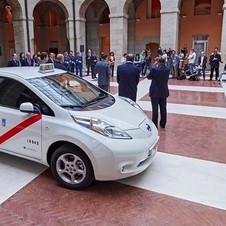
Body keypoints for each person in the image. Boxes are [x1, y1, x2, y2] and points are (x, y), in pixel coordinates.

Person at [147, 57, 170, 129]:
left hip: (155, 91)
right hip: (163, 90)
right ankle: (163, 123)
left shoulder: (154, 69)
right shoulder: (167, 69)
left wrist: (154, 65)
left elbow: (149, 77)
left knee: (155, 108)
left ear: (158, 62)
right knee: (163, 107)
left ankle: (155, 123)